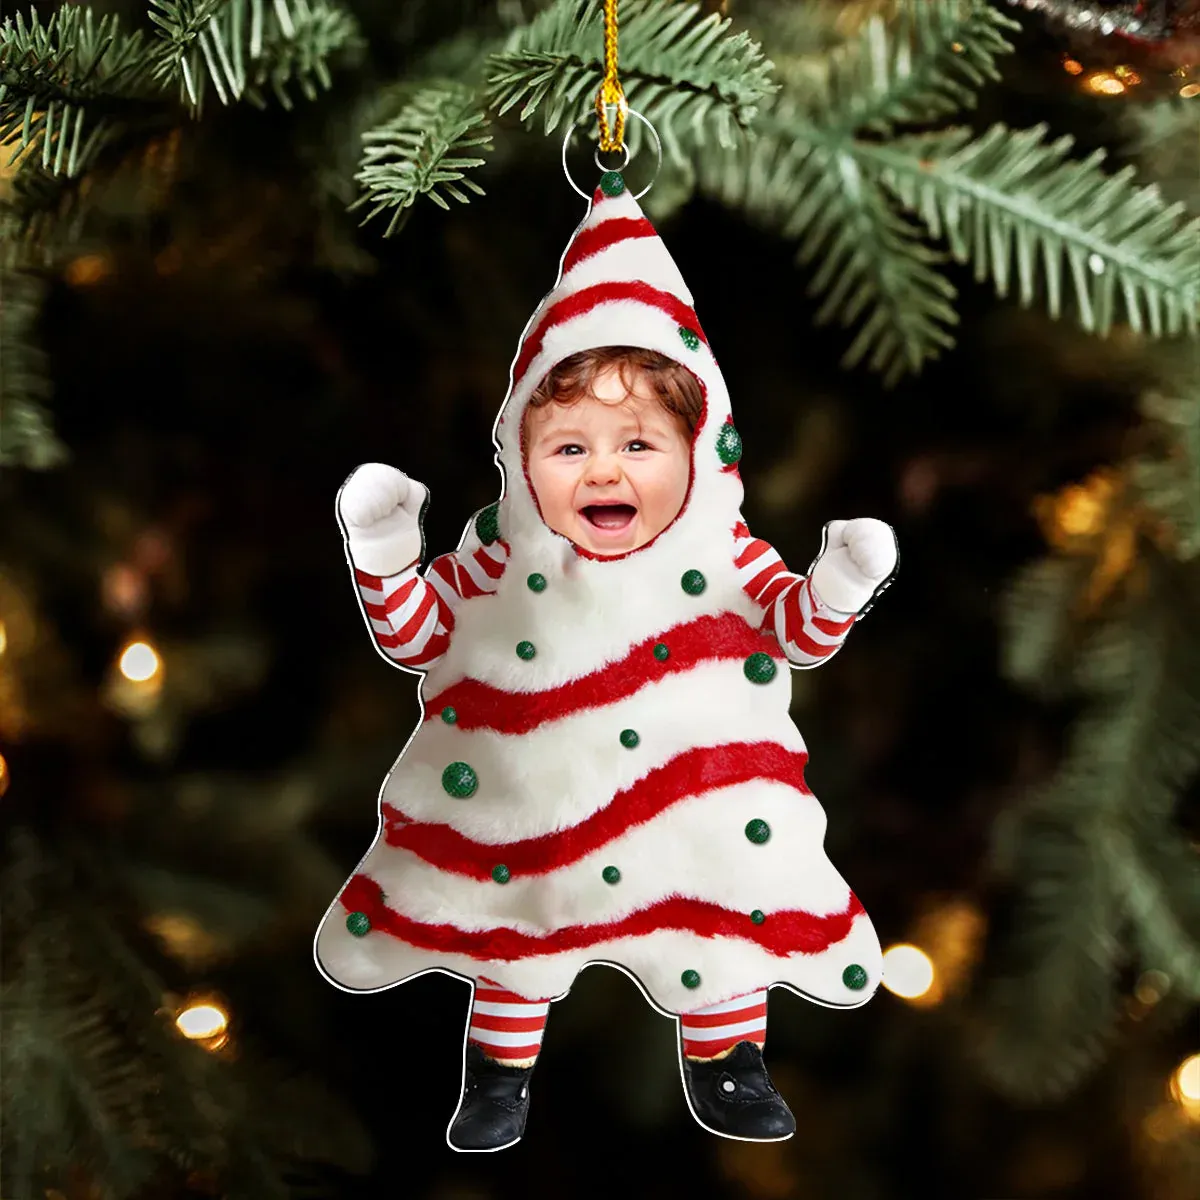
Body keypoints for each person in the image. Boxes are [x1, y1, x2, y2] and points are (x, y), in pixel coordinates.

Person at [313, 172, 899, 1153]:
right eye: (570, 444)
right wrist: (384, 554)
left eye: (639, 443)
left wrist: (838, 581)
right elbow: (416, 639)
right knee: (518, 926)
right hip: (530, 813)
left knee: (719, 915)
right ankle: (499, 1077)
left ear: (702, 455)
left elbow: (797, 633)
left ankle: (729, 1063)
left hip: (698, 807)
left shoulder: (728, 554)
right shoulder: (497, 551)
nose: (604, 470)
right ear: (519, 453)